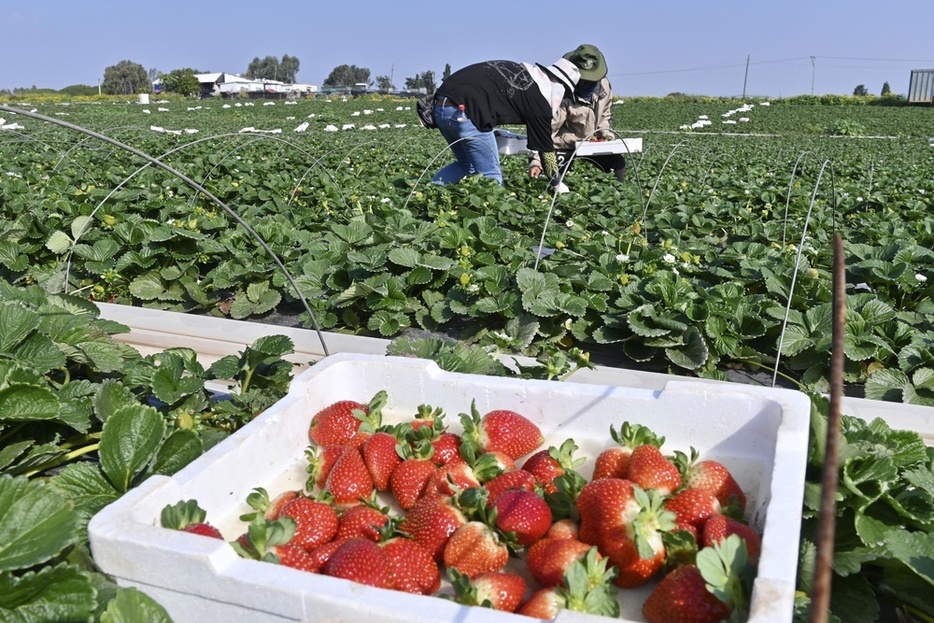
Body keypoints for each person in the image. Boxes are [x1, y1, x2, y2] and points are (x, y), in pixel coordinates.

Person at [430, 55, 584, 189]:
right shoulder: (539, 101)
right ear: (561, 87)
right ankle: (495, 216)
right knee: (490, 173)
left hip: (440, 107)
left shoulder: (522, 74)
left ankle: (430, 191)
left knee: (466, 164)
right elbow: (546, 151)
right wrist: (556, 182)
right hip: (467, 111)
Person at [528, 44, 627, 183]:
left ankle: (619, 196)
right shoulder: (561, 92)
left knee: (617, 163)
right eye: (582, 79)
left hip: (590, 143)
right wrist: (536, 161)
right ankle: (552, 197)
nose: (585, 83)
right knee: (553, 179)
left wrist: (607, 138)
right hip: (563, 145)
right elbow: (547, 129)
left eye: (590, 79)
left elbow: (605, 115)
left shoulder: (603, 86)